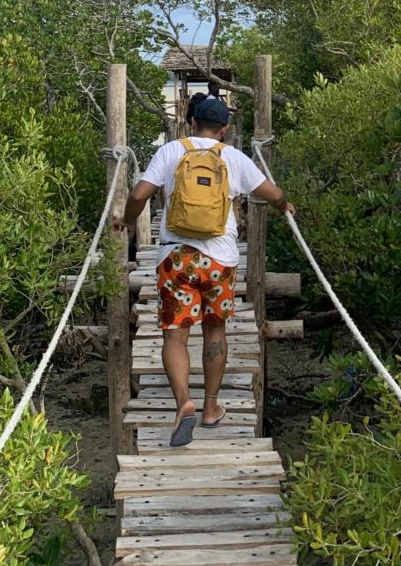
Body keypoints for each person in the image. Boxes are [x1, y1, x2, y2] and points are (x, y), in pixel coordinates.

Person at [110, 91, 294, 445]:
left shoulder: (172, 150)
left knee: (175, 334)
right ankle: (211, 408)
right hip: (221, 261)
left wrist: (128, 223)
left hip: (176, 257)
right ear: (224, 129)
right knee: (215, 333)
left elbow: (138, 196)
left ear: (191, 122)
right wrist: (287, 206)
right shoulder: (234, 157)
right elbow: (273, 193)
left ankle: (184, 404)